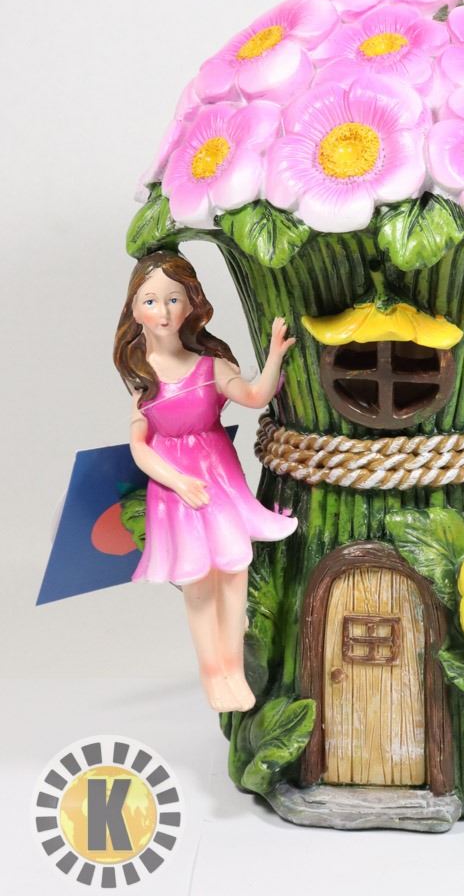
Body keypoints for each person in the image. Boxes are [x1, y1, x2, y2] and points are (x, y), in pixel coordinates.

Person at [113, 250, 297, 713]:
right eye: (151, 301)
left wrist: (274, 357)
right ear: (134, 309)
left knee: (234, 572)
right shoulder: (142, 380)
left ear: (192, 303)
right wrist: (176, 481)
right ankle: (212, 672)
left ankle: (233, 668)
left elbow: (254, 395)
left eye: (174, 299)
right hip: (177, 491)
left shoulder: (209, 365)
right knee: (197, 583)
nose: (163, 311)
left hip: (218, 478)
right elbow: (140, 447)